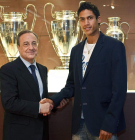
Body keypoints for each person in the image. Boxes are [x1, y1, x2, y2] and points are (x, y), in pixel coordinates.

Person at [44, 2, 127, 140]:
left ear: (98, 19)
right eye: (82, 19)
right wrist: (52, 101)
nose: (86, 23)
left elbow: (119, 90)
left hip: (103, 124)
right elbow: (71, 85)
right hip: (79, 124)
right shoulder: (76, 50)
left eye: (90, 18)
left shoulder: (114, 47)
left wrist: (109, 124)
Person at [0, 30, 53, 140]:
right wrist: (39, 108)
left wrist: (53, 103)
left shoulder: (43, 69)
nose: (31, 47)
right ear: (18, 47)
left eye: (34, 43)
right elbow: (9, 102)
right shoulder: (8, 70)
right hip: (19, 134)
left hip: (41, 133)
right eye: (26, 44)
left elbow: (42, 99)